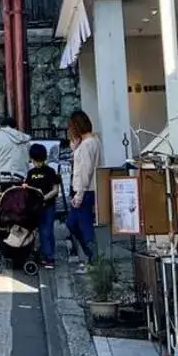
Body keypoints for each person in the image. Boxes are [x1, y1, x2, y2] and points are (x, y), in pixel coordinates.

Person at [66, 109, 101, 264]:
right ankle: (91, 256)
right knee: (75, 223)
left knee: (81, 225)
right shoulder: (94, 141)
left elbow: (84, 171)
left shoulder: (86, 145)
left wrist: (79, 194)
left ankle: (93, 257)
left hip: (84, 190)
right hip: (89, 189)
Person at [25, 142, 63, 271]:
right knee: (39, 231)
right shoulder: (30, 173)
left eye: (39, 161)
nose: (37, 164)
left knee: (47, 231)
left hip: (48, 206)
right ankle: (42, 253)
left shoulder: (50, 171)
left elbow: (55, 189)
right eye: (35, 161)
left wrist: (44, 197)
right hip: (35, 207)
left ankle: (49, 256)